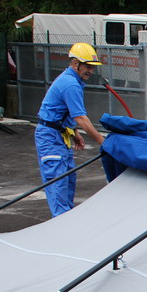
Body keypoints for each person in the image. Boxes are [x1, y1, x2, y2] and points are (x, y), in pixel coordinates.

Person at [35, 42, 106, 217]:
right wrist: (102, 141)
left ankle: (66, 219)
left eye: (92, 67)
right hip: (50, 137)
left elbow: (62, 111)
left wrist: (74, 132)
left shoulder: (74, 81)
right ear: (75, 63)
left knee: (68, 180)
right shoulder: (70, 84)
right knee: (58, 183)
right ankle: (61, 222)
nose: (91, 71)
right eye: (87, 66)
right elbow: (80, 118)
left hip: (60, 134)